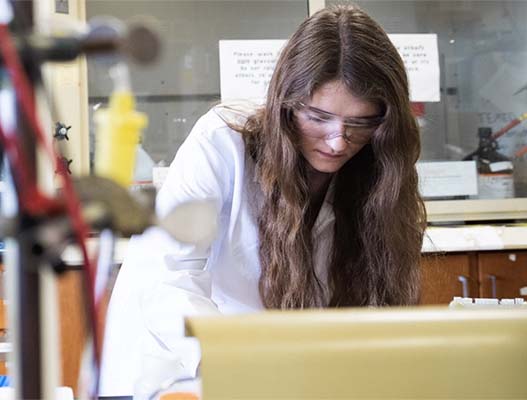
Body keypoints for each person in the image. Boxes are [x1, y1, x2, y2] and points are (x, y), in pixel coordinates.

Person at [100, 4, 426, 396]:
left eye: (360, 123)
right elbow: (170, 274)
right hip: (181, 363)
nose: (339, 140)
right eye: (319, 118)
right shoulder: (223, 141)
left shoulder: (378, 165)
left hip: (275, 367)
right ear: (286, 102)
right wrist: (232, 358)